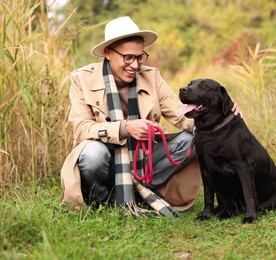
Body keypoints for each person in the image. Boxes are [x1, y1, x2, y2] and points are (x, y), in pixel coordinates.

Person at [60, 16, 239, 214]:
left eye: (140, 57)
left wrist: (227, 120)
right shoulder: (81, 79)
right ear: (108, 53)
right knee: (93, 153)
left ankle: (139, 192)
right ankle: (101, 201)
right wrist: (125, 128)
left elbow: (181, 115)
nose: (135, 65)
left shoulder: (151, 76)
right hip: (106, 162)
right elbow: (81, 128)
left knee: (191, 140)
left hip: (143, 159)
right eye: (128, 57)